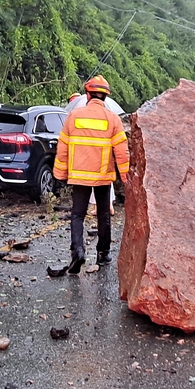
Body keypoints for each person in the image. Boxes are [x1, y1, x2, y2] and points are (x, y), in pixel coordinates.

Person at [50, 75, 129, 275]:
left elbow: (63, 147)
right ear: (105, 96)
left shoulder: (74, 117)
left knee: (77, 214)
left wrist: (60, 173)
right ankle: (103, 253)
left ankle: (77, 251)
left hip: (79, 176)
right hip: (103, 176)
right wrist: (126, 176)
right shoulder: (113, 119)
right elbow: (122, 151)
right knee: (103, 214)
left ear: (87, 94)